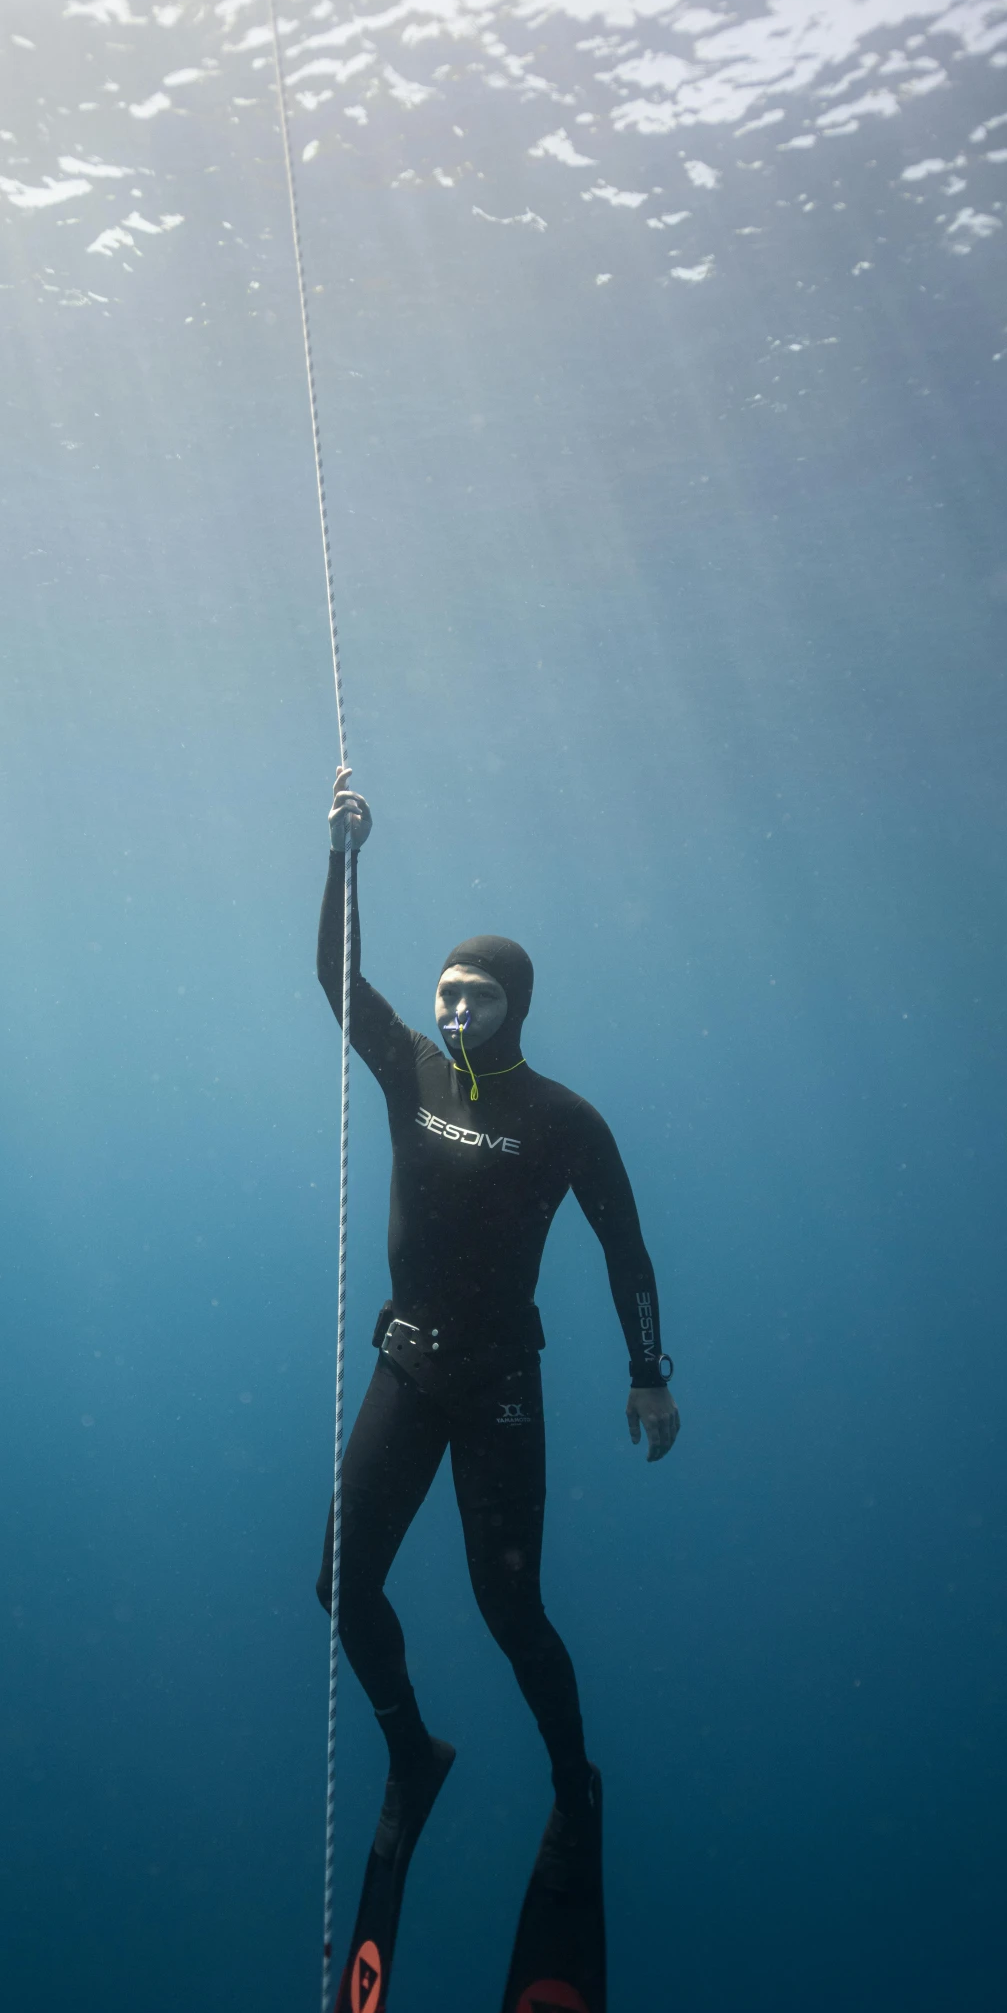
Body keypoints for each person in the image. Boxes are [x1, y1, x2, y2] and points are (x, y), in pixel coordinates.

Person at [316, 765, 679, 1856]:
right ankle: (411, 1752)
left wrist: (648, 1369)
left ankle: (576, 1784)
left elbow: (625, 1245)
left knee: (508, 1610)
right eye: (446, 989)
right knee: (340, 1584)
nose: (454, 1006)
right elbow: (337, 974)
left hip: (499, 1385)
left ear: (516, 1003)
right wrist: (343, 855)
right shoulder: (409, 1071)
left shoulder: (564, 1119)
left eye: (477, 993)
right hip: (410, 1367)